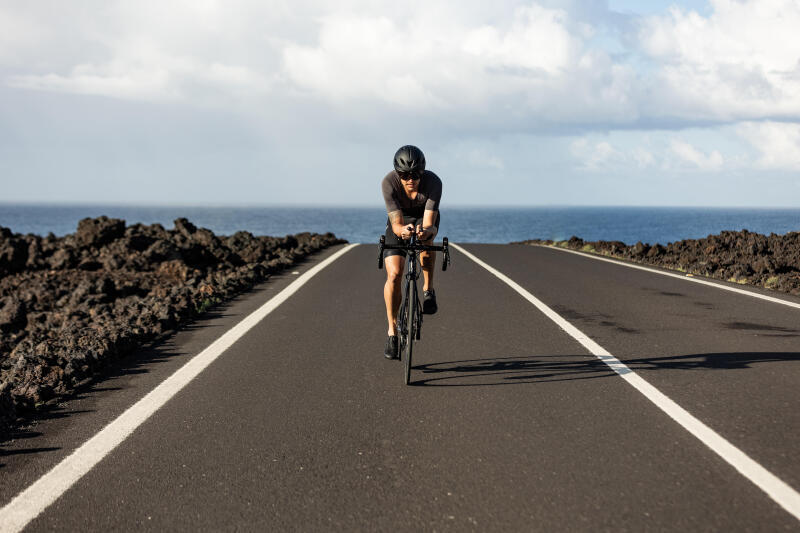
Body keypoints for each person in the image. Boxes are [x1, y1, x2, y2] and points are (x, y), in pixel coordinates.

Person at [381, 145, 442, 360]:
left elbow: (429, 222)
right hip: (400, 221)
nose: (410, 179)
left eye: (415, 174)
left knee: (426, 242)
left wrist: (426, 231)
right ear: (397, 173)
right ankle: (392, 332)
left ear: (422, 172)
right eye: (404, 175)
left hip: (424, 219)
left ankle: (428, 289)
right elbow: (396, 225)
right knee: (395, 274)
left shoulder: (433, 183)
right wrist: (402, 231)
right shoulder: (389, 183)